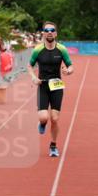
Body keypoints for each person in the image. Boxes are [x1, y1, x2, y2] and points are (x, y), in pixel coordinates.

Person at [30, 22, 74, 158]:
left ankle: (53, 146)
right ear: (43, 33)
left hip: (56, 86)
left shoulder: (62, 49)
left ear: (55, 33)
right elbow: (29, 66)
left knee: (55, 119)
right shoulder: (37, 50)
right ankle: (42, 123)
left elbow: (71, 66)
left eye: (52, 30)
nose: (49, 32)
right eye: (46, 30)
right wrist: (33, 77)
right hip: (43, 86)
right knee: (44, 117)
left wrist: (68, 71)